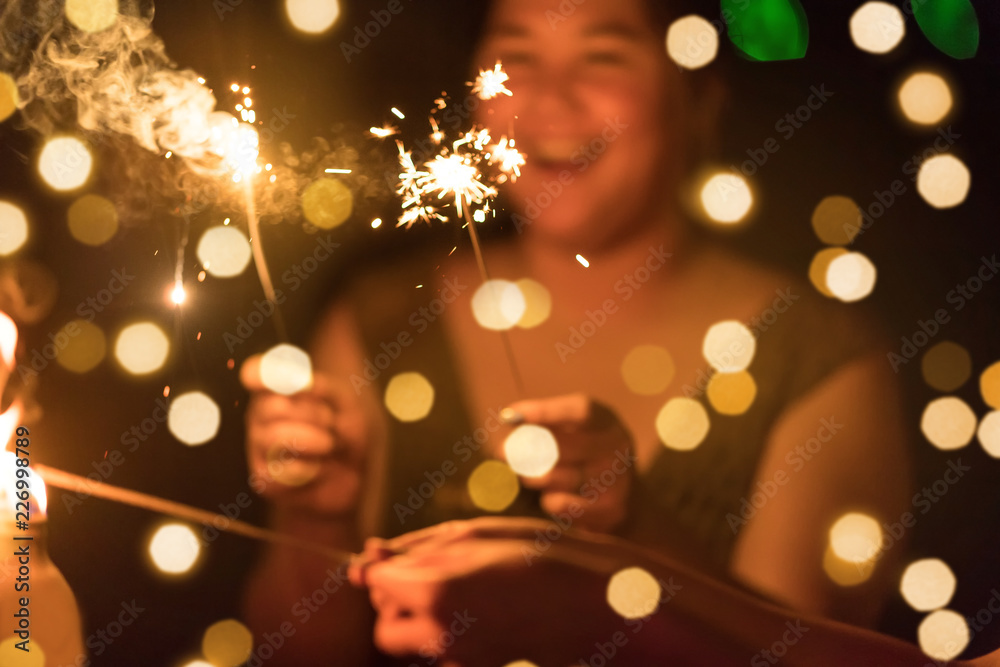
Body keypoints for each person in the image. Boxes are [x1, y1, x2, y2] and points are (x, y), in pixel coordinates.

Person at [241, 0, 912, 663]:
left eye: (602, 56)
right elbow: (298, 654)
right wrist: (315, 519)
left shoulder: (814, 358)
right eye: (518, 56)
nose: (550, 98)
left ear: (697, 98)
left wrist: (637, 535)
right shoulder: (383, 320)